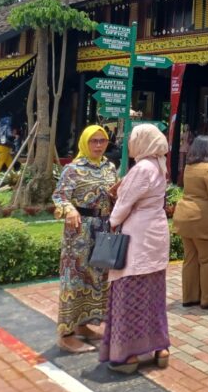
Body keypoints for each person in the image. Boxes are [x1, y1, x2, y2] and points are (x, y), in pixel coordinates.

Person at [99, 124, 171, 374]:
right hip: (157, 231)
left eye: (133, 138)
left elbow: (123, 204)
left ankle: (128, 355)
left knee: (128, 289)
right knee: (154, 291)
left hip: (138, 233)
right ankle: (160, 348)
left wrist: (110, 223)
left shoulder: (141, 168)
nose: (129, 143)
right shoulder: (160, 165)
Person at [52, 124, 117, 352]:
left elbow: (114, 195)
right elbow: (59, 197)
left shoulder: (110, 167)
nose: (98, 145)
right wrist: (69, 210)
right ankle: (66, 334)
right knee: (75, 279)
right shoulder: (73, 169)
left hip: (104, 229)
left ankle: (84, 326)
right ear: (84, 142)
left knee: (98, 277)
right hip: (79, 233)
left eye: (102, 141)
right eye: (94, 141)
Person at [173, 135, 208, 310]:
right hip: (203, 219)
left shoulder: (190, 167)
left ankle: (190, 297)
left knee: (190, 259)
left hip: (185, 217)